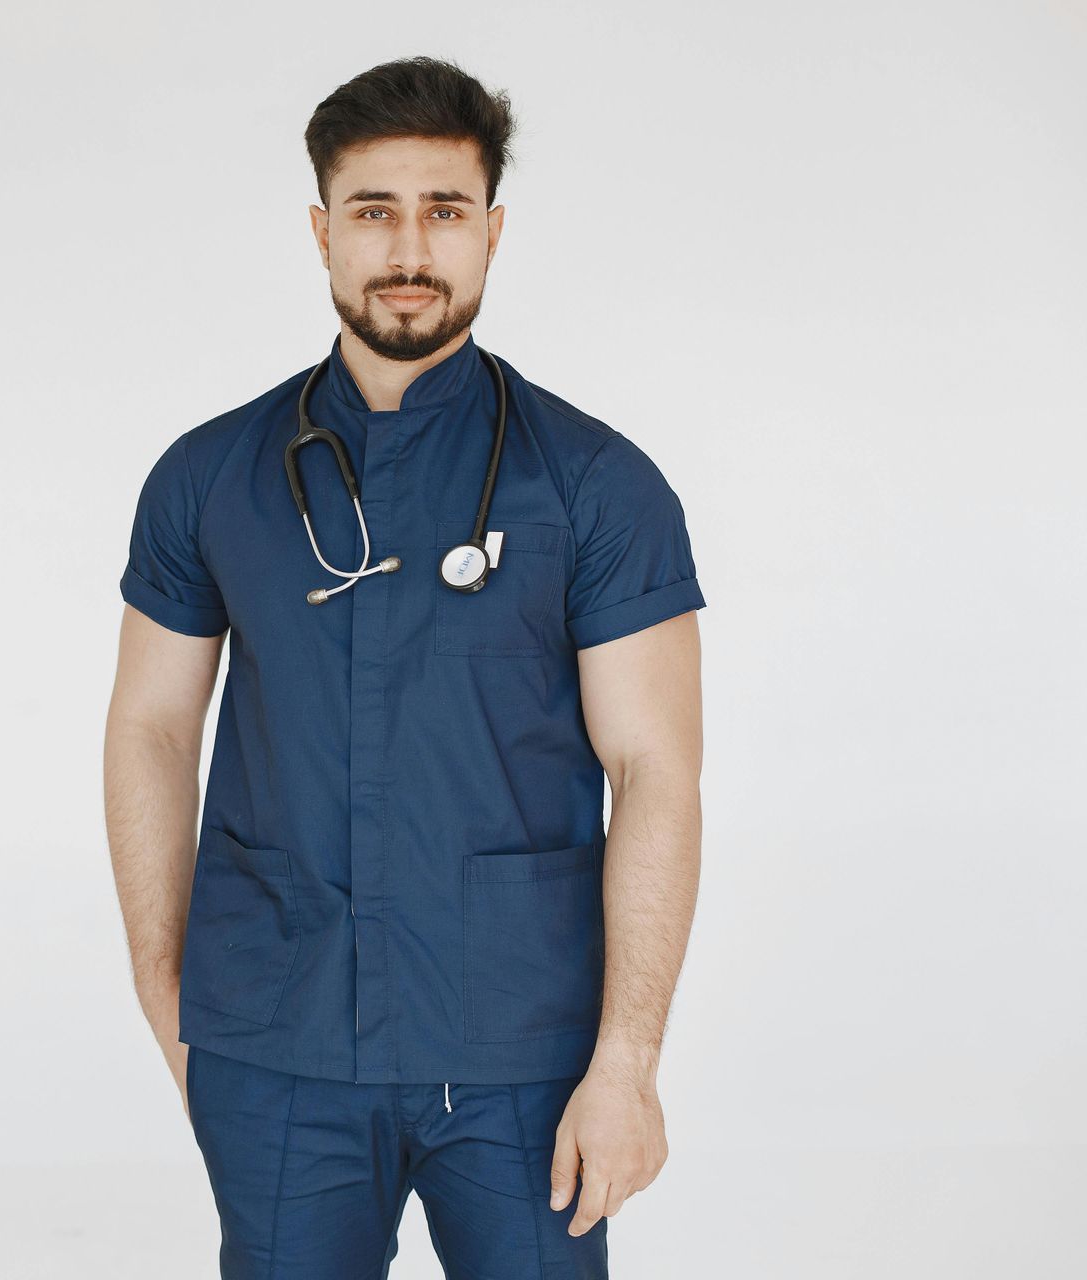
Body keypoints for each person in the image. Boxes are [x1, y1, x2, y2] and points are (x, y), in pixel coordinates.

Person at [102, 56, 706, 1279]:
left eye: (446, 209)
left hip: (525, 1054)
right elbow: (151, 729)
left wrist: (627, 1062)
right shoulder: (210, 477)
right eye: (375, 210)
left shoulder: (595, 485)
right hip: (276, 1041)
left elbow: (656, 771)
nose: (410, 248)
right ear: (322, 228)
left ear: (493, 230)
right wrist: (169, 997)